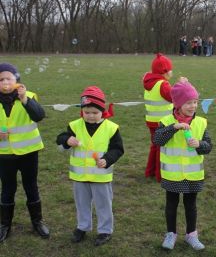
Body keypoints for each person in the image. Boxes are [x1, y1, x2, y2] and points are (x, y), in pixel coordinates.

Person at [56, 86, 124, 246]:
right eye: (87, 112)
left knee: (103, 204)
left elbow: (118, 149)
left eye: (95, 112)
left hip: (101, 176)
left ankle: (105, 230)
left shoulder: (111, 128)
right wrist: (67, 140)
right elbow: (60, 138)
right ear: (82, 111)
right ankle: (82, 227)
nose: (91, 116)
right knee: (82, 203)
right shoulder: (74, 126)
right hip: (79, 177)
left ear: (103, 110)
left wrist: (107, 159)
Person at [154, 80, 212, 251]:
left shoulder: (201, 122)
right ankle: (171, 234)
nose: (193, 106)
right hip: (172, 174)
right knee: (171, 204)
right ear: (178, 104)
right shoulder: (165, 121)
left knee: (191, 205)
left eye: (195, 102)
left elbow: (208, 147)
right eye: (188, 102)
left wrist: (199, 144)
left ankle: (191, 235)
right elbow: (157, 140)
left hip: (193, 175)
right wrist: (174, 127)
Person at [0, 63, 49, 242]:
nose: (5, 82)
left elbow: (39, 116)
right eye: (1, 79)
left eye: (9, 78)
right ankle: (5, 224)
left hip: (29, 152)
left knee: (31, 186)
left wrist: (25, 100)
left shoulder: (28, 96)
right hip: (4, 155)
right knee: (7, 188)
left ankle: (37, 222)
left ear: (17, 81)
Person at [143, 53, 173, 182]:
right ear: (165, 71)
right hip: (162, 121)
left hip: (152, 121)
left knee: (155, 146)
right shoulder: (163, 84)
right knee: (162, 147)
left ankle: (150, 172)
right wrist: (182, 85)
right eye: (171, 69)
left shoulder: (149, 83)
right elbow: (173, 97)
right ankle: (160, 175)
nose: (172, 72)